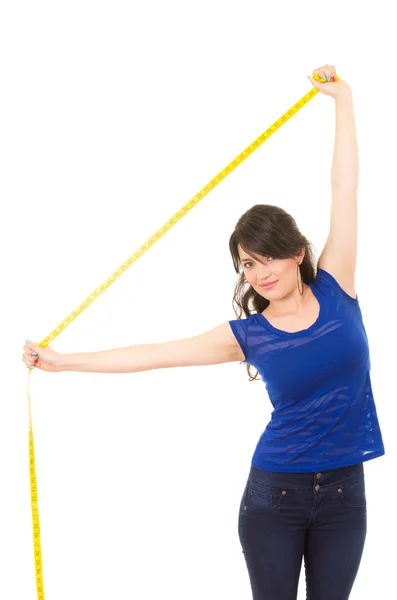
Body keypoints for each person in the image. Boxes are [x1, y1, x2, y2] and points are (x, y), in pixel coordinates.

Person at [22, 64, 385, 599]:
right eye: (246, 265)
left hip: (345, 492)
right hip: (274, 496)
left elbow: (345, 189)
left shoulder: (338, 286)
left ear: (298, 252)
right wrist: (62, 360)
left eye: (268, 260)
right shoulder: (249, 334)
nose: (259, 274)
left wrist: (343, 100)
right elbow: (153, 355)